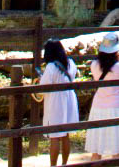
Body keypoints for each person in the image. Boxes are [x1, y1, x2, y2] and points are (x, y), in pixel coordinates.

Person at [85, 31, 119, 161]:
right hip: (116, 107)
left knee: (96, 148)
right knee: (116, 148)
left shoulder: (94, 65)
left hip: (98, 107)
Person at [38, 38, 79, 167]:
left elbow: (44, 86)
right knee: (65, 134)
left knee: (55, 135)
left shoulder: (51, 67)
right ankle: (64, 163)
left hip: (56, 101)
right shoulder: (71, 63)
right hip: (69, 98)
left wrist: (40, 78)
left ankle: (53, 165)